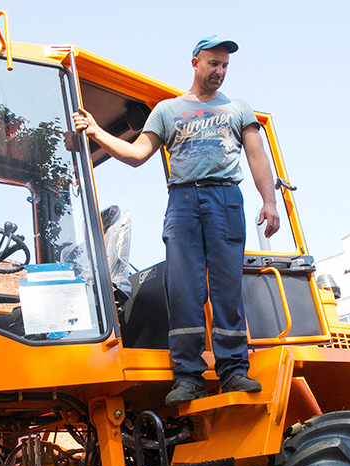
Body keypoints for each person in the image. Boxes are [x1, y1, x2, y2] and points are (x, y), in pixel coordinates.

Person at [73, 36, 280, 405]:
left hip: (225, 198)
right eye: (213, 63)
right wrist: (96, 132)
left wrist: (269, 201)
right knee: (184, 289)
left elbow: (257, 156)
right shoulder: (167, 111)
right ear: (195, 63)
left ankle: (234, 371)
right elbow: (138, 154)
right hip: (183, 199)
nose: (219, 71)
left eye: (225, 66)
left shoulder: (237, 109)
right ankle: (188, 376)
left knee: (227, 287)